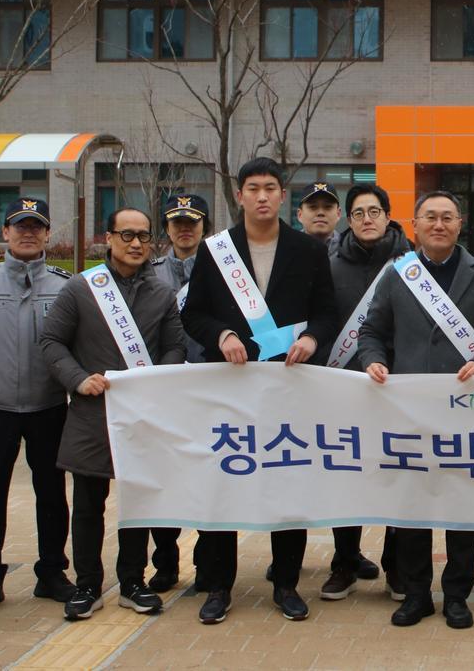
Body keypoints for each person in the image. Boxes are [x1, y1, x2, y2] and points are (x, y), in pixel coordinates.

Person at [180, 158, 338, 625]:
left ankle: (286, 583)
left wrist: (312, 339)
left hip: (289, 385)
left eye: (271, 187)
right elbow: (193, 313)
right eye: (253, 188)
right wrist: (222, 335)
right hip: (231, 386)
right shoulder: (217, 250)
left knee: (287, 479)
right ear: (240, 196)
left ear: (282, 196)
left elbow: (327, 312)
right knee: (225, 481)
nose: (263, 196)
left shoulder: (307, 250)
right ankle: (219, 586)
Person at [358, 189, 474, 630]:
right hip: (409, 412)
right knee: (412, 509)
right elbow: (372, 332)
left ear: (460, 224)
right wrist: (373, 360)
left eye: (448, 217)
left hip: (465, 410)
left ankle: (457, 596)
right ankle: (416, 595)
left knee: (462, 509)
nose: (439, 224)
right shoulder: (398, 275)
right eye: (430, 217)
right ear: (415, 225)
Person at [40, 207, 186, 621]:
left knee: (138, 504)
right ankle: (87, 585)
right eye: (127, 235)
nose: (136, 243)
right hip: (93, 413)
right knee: (88, 505)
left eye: (143, 236)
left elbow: (175, 346)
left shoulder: (161, 293)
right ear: (108, 238)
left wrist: (155, 378)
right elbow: (51, 341)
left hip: (142, 415)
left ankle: (133, 582)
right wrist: (78, 379)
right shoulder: (82, 289)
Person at [0, 198, 77, 614]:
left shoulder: (66, 286)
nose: (28, 233)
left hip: (48, 406)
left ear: (48, 234)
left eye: (36, 226)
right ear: (5, 232)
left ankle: (52, 572)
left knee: (52, 494)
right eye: (20, 226)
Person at [319, 181, 409, 600]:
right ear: (348, 219)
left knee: (397, 475)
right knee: (346, 476)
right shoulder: (329, 266)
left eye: (374, 212)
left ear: (388, 216)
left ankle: (396, 565)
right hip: (345, 387)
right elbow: (320, 321)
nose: (367, 219)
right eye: (358, 213)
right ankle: (345, 560)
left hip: (399, 388)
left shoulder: (412, 265)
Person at [147, 192, 210, 593]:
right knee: (164, 478)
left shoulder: (222, 271)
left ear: (204, 227)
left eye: (192, 222)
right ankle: (166, 562)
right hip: (164, 390)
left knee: (208, 478)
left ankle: (207, 563)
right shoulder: (150, 274)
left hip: (208, 388)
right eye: (177, 223)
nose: (184, 229)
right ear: (167, 229)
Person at [296, 181, 342, 247]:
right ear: (300, 215)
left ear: (338, 214)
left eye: (327, 207)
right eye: (313, 207)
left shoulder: (349, 248)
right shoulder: (286, 247)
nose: (321, 213)